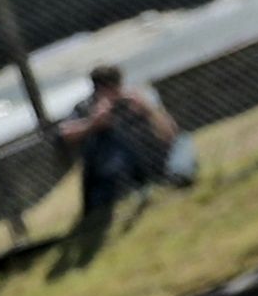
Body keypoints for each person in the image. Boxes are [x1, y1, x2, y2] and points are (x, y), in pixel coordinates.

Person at [59, 66, 182, 215]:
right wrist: (93, 124)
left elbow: (172, 133)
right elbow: (65, 133)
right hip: (107, 171)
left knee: (183, 153)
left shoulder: (134, 99)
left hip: (150, 156)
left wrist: (148, 110)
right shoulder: (87, 107)